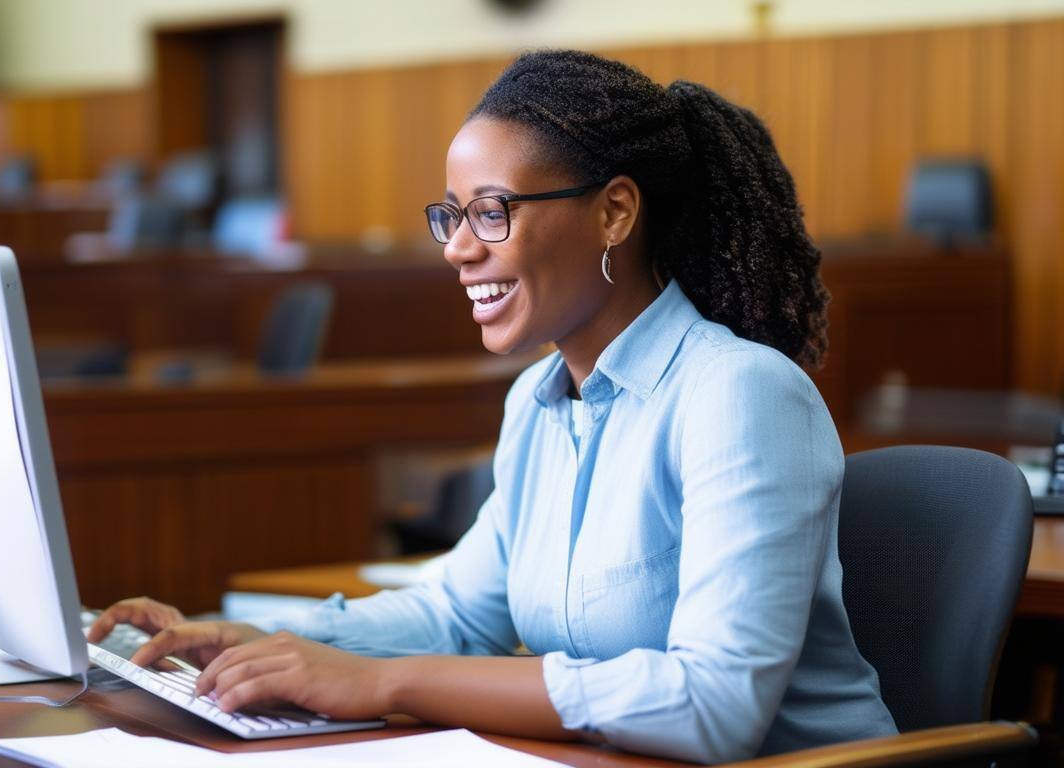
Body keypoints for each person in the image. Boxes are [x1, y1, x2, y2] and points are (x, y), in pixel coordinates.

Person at [88, 50, 897, 763]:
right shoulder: (537, 404)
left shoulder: (740, 394)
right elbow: (458, 613)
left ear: (615, 211)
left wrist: (380, 683)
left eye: (491, 211)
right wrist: (259, 640)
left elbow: (712, 705)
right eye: (452, 213)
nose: (457, 247)